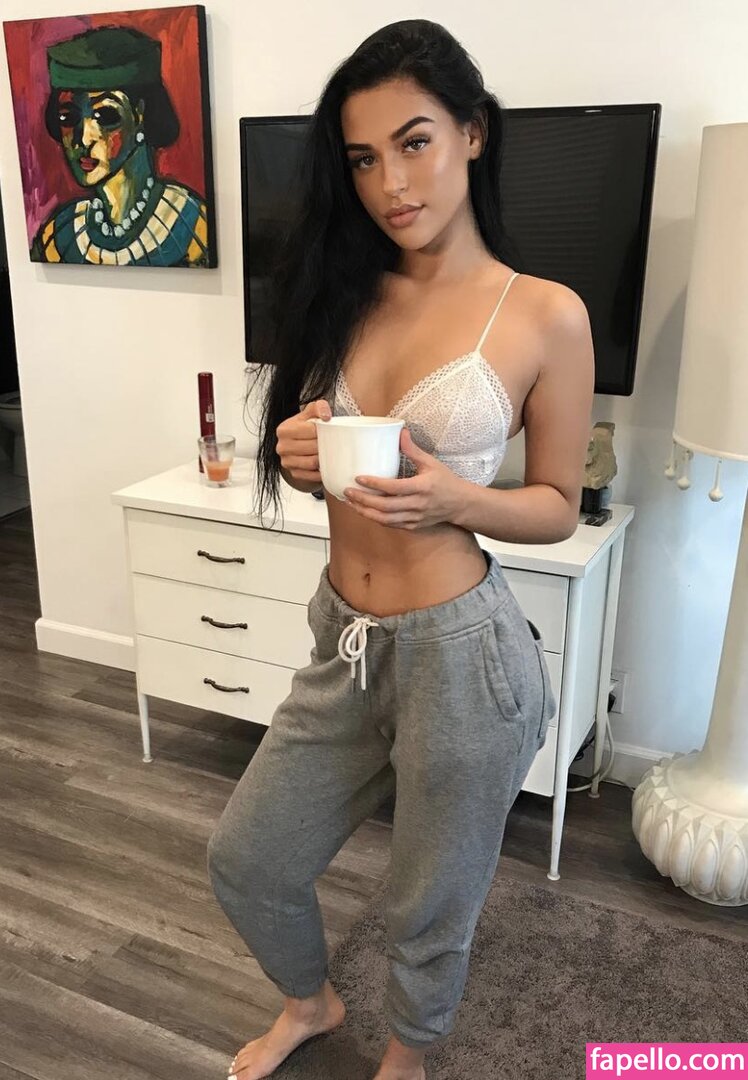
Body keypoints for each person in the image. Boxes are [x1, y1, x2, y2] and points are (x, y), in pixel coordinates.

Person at [208, 19, 593, 1080]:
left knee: (430, 896)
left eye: (415, 142)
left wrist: (457, 498)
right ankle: (314, 1002)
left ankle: (410, 1057)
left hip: (462, 656)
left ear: (472, 133)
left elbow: (559, 506)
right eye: (363, 158)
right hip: (343, 640)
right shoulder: (342, 290)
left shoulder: (544, 314)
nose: (391, 183)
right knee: (248, 859)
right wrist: (297, 457)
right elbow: (327, 468)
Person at [32, 25, 209, 266]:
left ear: (141, 116)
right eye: (68, 117)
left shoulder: (189, 223)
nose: (83, 139)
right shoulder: (59, 236)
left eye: (105, 116)